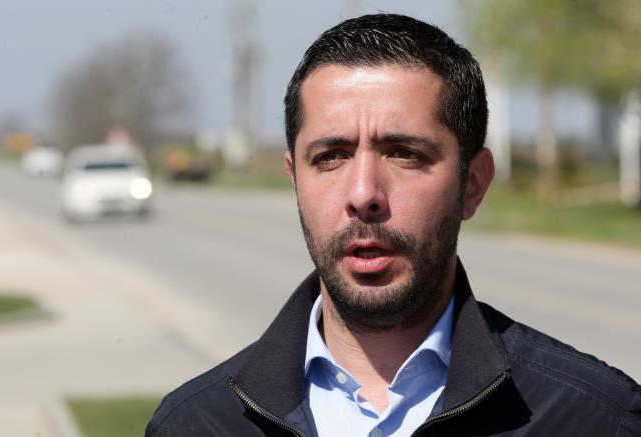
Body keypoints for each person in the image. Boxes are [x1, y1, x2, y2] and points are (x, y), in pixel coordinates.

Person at [146, 13, 641, 436]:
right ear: (295, 179)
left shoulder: (597, 419)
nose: (364, 194)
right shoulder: (194, 425)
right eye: (331, 156)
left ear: (473, 184)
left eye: (405, 154)